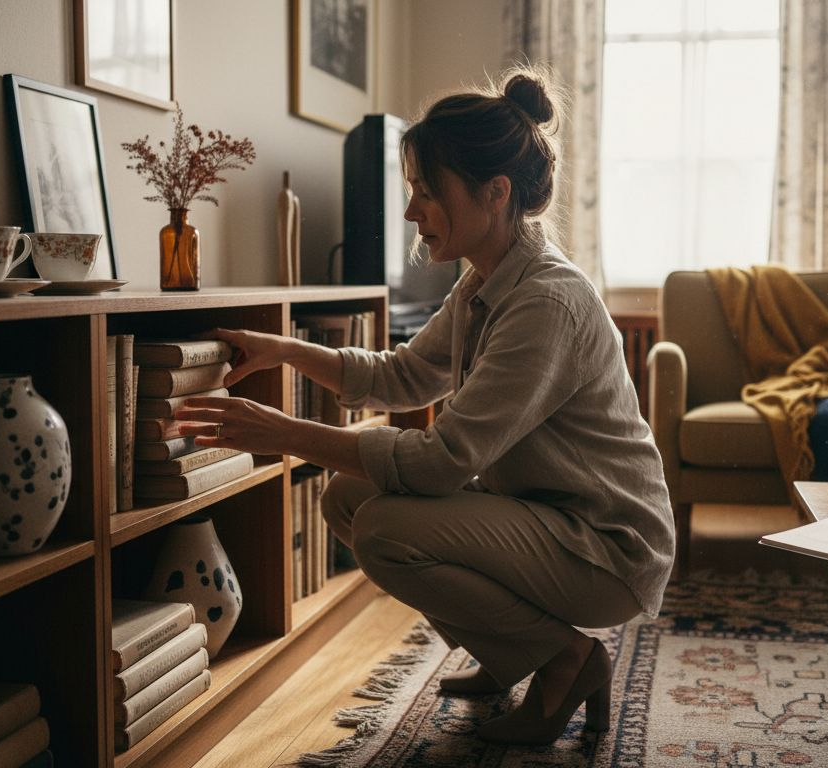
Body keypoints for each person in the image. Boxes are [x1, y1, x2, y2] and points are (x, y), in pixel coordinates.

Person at [173, 67, 674, 746]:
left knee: (382, 531)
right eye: (412, 192)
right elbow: (406, 374)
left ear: (495, 194)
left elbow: (442, 462)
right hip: (549, 514)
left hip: (607, 543)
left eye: (428, 193)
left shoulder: (546, 302)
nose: (412, 213)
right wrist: (285, 349)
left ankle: (566, 659)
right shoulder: (485, 283)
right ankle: (509, 654)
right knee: (347, 499)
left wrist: (281, 430)